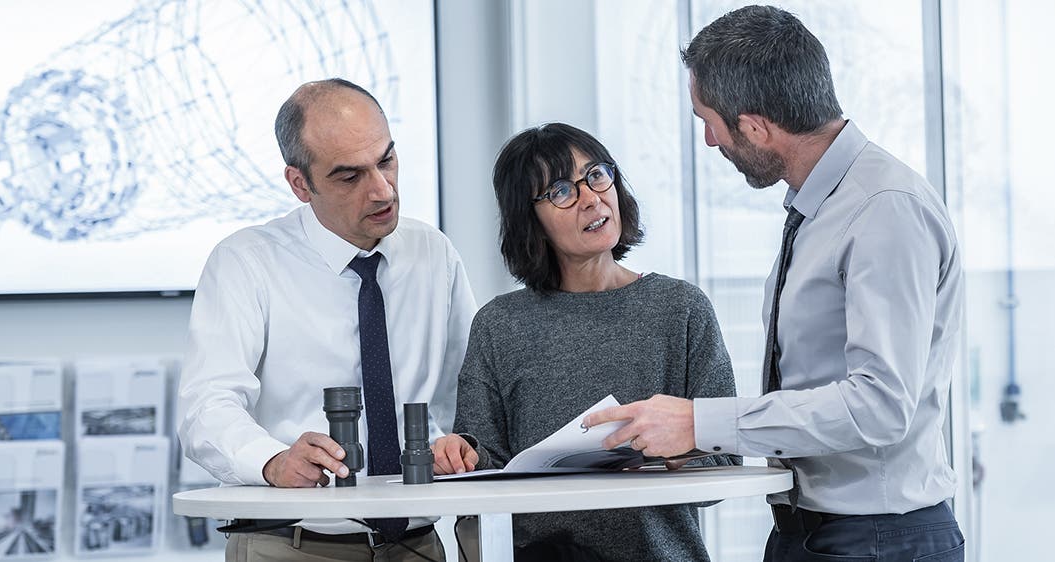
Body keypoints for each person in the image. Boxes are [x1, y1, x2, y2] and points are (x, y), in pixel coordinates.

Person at [584, 6, 966, 562]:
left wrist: (698, 422)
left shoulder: (884, 211)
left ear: (756, 126)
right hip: (811, 531)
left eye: (708, 120)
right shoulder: (822, 205)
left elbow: (880, 407)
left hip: (878, 539)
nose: (711, 141)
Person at [176, 78, 476, 561]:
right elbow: (205, 407)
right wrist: (272, 460)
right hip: (292, 544)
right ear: (300, 184)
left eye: (387, 160)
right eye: (349, 176)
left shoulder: (433, 254)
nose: (382, 190)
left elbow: (469, 391)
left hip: (416, 545)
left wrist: (460, 443)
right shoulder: (246, 262)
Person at [432, 123, 740, 562]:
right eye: (561, 190)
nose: (592, 197)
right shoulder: (500, 324)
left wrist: (677, 449)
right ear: (529, 218)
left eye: (596, 175)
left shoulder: (680, 308)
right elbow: (484, 468)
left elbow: (725, 465)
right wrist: (458, 453)